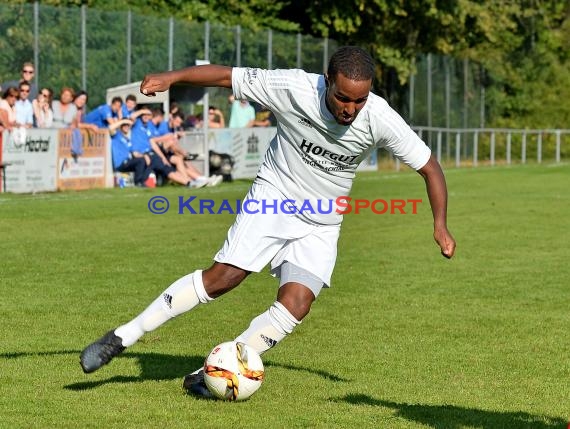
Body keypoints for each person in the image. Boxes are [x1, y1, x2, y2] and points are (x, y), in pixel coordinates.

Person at [79, 46, 456, 398]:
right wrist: (173, 77)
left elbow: (430, 167)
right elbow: (227, 76)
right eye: (343, 97)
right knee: (223, 278)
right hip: (273, 199)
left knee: (297, 303)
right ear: (327, 81)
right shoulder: (292, 88)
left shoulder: (378, 116)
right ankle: (123, 336)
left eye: (359, 100)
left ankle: (215, 371)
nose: (350, 108)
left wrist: (440, 224)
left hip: (322, 222)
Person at [109, 118, 151, 187]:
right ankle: (138, 182)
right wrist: (123, 121)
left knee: (147, 160)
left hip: (128, 162)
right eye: (124, 125)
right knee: (140, 161)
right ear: (121, 126)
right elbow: (110, 128)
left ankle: (142, 181)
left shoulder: (128, 140)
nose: (126, 127)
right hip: (120, 164)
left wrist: (144, 155)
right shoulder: (117, 135)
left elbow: (135, 153)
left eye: (128, 125)